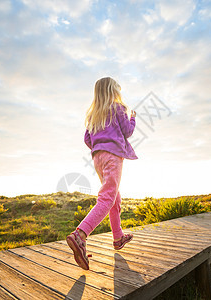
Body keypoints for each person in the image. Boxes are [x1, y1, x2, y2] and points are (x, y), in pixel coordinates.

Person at [66, 77, 138, 270]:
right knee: (107, 198)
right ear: (114, 92)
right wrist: (132, 117)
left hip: (98, 158)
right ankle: (79, 235)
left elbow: (87, 139)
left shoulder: (93, 115)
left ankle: (118, 238)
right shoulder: (118, 108)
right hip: (113, 157)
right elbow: (128, 131)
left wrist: (100, 147)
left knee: (115, 198)